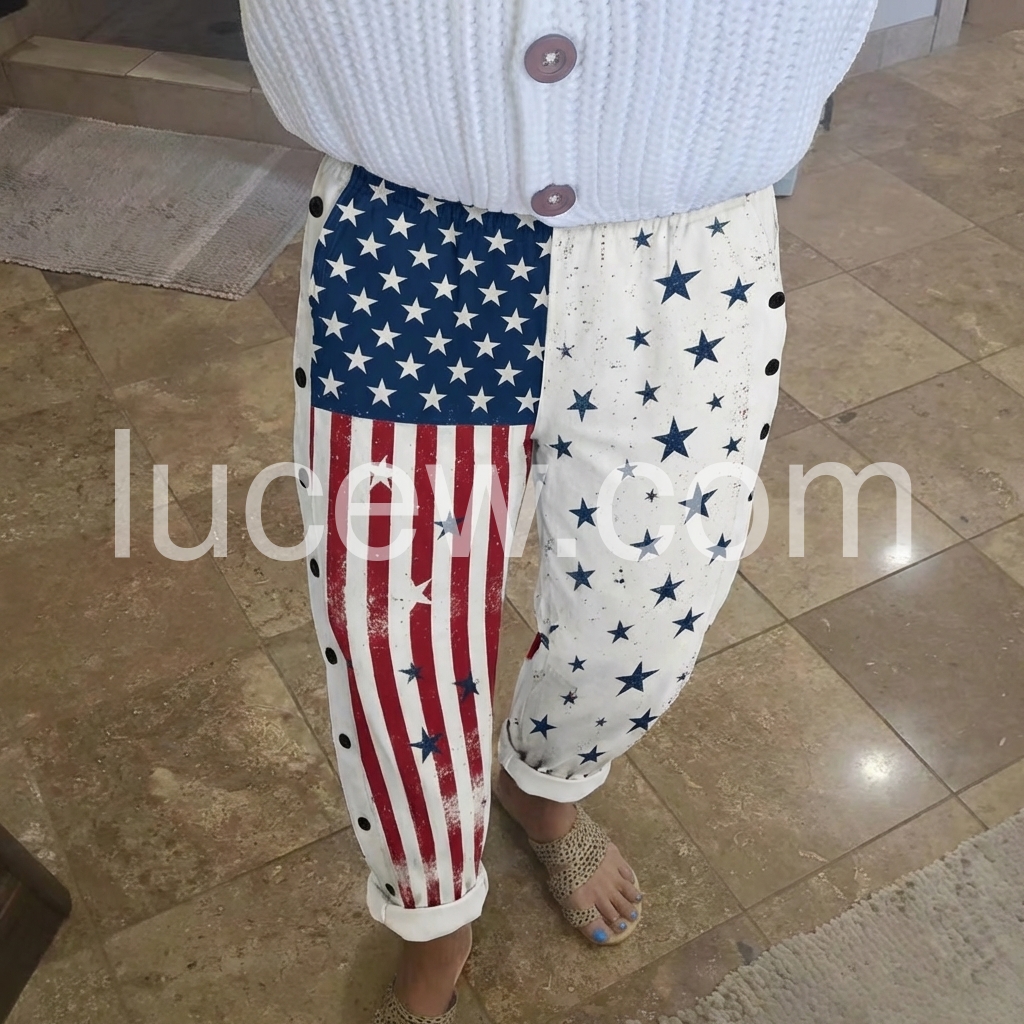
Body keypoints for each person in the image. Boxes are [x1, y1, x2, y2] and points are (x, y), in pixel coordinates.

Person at [239, 3, 879, 1020]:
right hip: (405, 240)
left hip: (689, 256)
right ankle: (433, 915)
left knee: (647, 612)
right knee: (392, 636)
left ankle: (545, 781)